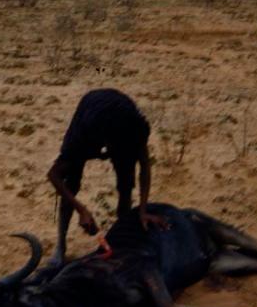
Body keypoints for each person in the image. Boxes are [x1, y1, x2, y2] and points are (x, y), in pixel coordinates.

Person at [47, 88, 167, 266]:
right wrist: (82, 210)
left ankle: (120, 239)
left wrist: (142, 211)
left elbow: (145, 168)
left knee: (126, 185)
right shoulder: (84, 134)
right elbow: (54, 175)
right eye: (114, 149)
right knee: (72, 181)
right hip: (90, 114)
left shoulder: (135, 132)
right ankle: (61, 247)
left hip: (118, 122)